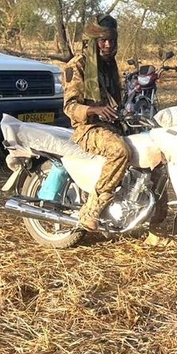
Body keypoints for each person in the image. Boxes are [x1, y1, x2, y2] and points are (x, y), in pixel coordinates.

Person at [62, 15, 131, 230]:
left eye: (112, 40)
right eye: (103, 40)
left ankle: (152, 217)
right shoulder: (78, 65)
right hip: (88, 128)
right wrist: (95, 110)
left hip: (113, 125)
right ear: (92, 41)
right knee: (120, 151)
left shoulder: (109, 65)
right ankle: (93, 208)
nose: (108, 45)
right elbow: (69, 107)